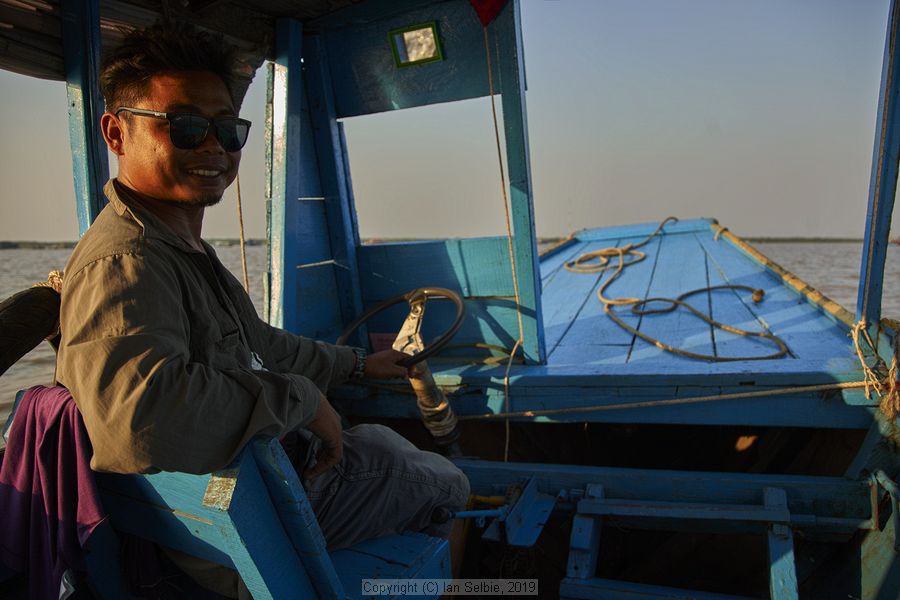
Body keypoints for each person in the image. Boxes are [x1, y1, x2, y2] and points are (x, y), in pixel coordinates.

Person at [55, 21, 469, 596]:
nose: (213, 147)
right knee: (447, 481)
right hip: (242, 535)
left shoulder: (176, 247)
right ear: (116, 133)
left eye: (228, 129)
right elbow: (138, 420)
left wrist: (353, 366)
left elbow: (258, 345)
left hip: (248, 496)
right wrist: (301, 399)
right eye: (186, 126)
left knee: (382, 443)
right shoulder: (128, 261)